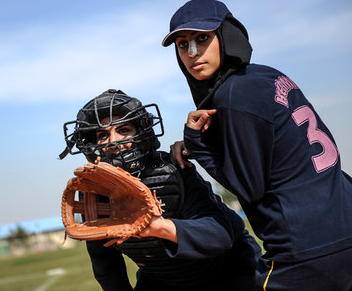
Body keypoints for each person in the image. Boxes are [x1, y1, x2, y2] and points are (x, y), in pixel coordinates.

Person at [162, 0, 352, 290]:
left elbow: (249, 187)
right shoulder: (267, 75)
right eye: (182, 44)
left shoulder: (234, 93)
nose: (192, 52)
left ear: (227, 34)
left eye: (202, 38)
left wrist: (196, 142)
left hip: (305, 252)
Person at [59, 89, 261, 291]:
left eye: (123, 130)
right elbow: (106, 265)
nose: (113, 142)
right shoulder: (93, 189)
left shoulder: (173, 169)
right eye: (103, 134)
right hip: (162, 279)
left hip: (227, 270)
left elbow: (221, 235)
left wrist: (159, 227)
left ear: (141, 131)